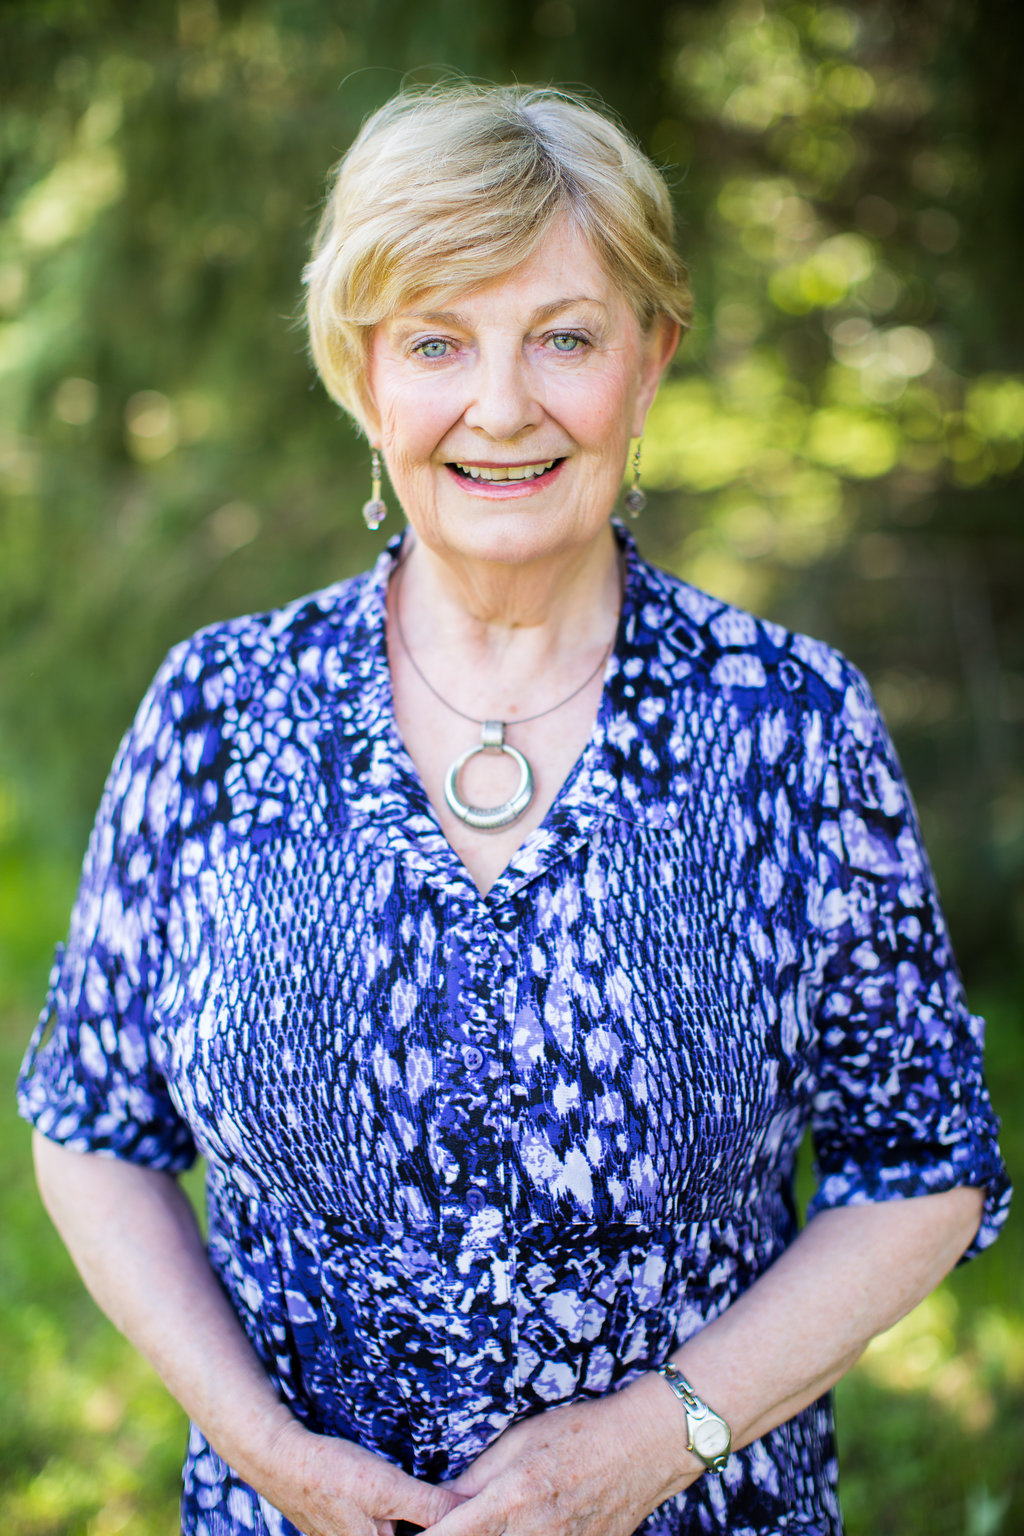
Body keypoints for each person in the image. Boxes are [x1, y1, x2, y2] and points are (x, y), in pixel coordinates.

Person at [18, 83, 1009, 1536]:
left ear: (651, 359)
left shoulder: (791, 723)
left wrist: (654, 1444)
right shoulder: (217, 711)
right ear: (363, 375)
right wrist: (267, 1452)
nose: (500, 407)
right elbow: (93, 1128)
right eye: (437, 342)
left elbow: (921, 1170)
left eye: (564, 337)